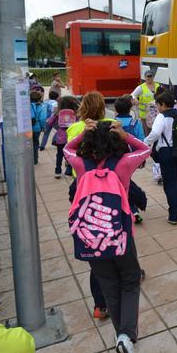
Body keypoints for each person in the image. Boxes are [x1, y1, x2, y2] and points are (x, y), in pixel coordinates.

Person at [64, 120, 150, 353]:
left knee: (110, 285)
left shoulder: (82, 165)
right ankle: (125, 336)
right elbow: (145, 150)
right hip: (121, 236)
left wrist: (82, 134)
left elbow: (66, 149)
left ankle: (121, 334)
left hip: (91, 237)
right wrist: (126, 136)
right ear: (115, 140)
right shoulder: (122, 164)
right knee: (130, 281)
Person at [65, 91, 115, 320]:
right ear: (103, 108)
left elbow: (69, 153)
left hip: (84, 192)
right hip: (110, 190)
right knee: (117, 240)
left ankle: (100, 305)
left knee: (95, 251)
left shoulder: (74, 130)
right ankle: (127, 277)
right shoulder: (111, 128)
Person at [144, 91, 177, 225]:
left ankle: (174, 216)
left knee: (170, 183)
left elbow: (156, 133)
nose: (157, 107)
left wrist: (145, 142)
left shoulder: (161, 117)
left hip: (167, 152)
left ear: (163, 104)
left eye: (158, 104)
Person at [115, 95, 147, 223]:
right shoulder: (136, 123)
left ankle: (131, 208)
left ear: (116, 110)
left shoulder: (112, 123)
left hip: (116, 158)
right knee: (126, 181)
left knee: (123, 183)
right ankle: (133, 208)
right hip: (132, 158)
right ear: (130, 109)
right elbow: (142, 140)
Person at [46, 95, 79, 178]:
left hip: (61, 139)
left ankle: (58, 171)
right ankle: (69, 170)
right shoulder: (75, 113)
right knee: (71, 154)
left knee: (59, 155)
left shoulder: (58, 114)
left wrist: (55, 114)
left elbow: (49, 122)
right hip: (72, 138)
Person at [29, 90, 49, 163]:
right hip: (36, 128)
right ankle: (35, 159)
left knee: (28, 143)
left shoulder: (27, 105)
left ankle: (28, 159)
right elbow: (42, 119)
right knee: (35, 142)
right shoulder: (41, 107)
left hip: (27, 128)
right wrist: (43, 127)